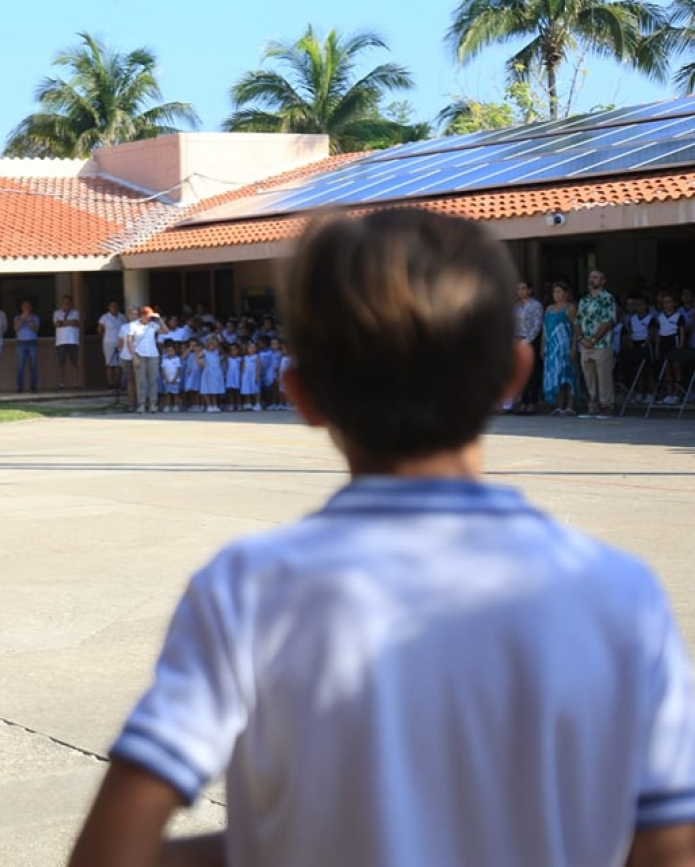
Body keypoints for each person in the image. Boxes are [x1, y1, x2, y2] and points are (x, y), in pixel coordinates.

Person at [67, 208, 695, 867]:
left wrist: (276, 842)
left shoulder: (248, 588)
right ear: (513, 374)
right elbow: (667, 847)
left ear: (303, 396)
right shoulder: (617, 594)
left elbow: (111, 852)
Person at [576, 268, 618, 419]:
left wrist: (593, 339)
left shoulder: (607, 298)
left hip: (602, 344)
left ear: (603, 281)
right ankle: (592, 406)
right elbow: (578, 320)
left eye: (595, 278)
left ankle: (606, 406)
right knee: (589, 376)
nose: (591, 280)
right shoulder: (584, 300)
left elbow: (608, 322)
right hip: (585, 344)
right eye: (590, 277)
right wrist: (581, 338)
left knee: (604, 376)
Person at [541, 281, 579, 415]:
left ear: (566, 293)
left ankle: (570, 405)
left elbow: (576, 328)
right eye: (554, 292)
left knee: (568, 375)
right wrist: (543, 347)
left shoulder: (570, 308)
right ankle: (559, 405)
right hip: (552, 347)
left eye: (559, 292)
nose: (556, 295)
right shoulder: (549, 309)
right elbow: (545, 330)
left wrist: (574, 346)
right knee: (555, 375)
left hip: (565, 346)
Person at [126, 306, 166, 414]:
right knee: (141, 381)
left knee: (153, 381)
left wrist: (159, 318)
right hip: (140, 354)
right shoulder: (133, 325)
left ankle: (153, 404)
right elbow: (129, 341)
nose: (149, 318)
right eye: (148, 316)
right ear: (142, 315)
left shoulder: (153, 325)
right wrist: (134, 357)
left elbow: (165, 331)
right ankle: (141, 404)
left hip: (153, 354)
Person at [513, 280, 543, 414]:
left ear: (530, 290)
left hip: (530, 341)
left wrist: (527, 340)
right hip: (517, 340)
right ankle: (523, 401)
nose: (521, 292)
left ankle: (532, 401)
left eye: (524, 289)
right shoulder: (516, 307)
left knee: (532, 372)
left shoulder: (536, 305)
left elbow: (537, 325)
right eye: (519, 289)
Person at [54, 294, 83, 389]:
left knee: (74, 362)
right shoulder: (57, 313)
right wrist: (67, 322)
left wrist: (63, 322)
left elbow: (75, 322)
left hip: (73, 340)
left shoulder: (76, 312)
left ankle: (76, 383)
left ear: (71, 303)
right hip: (61, 341)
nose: (66, 304)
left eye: (68, 302)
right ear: (61, 303)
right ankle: (60, 383)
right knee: (61, 362)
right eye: (64, 302)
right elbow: (57, 324)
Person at [98, 301, 125, 392]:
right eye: (112, 306)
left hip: (120, 342)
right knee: (109, 363)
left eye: (116, 306)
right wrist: (106, 337)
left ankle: (118, 383)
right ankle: (110, 384)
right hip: (108, 343)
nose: (114, 308)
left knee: (119, 364)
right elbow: (99, 330)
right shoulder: (105, 317)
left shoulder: (122, 317)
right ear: (109, 308)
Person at [14, 299, 40, 393]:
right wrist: (22, 319)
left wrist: (29, 321)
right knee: (20, 366)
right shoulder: (17, 317)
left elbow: (36, 329)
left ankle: (34, 386)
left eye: (28, 306)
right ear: (21, 308)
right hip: (21, 343)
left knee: (33, 365)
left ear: (31, 308)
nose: (26, 308)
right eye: (24, 306)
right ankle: (20, 386)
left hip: (32, 343)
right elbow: (15, 328)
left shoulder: (35, 317)